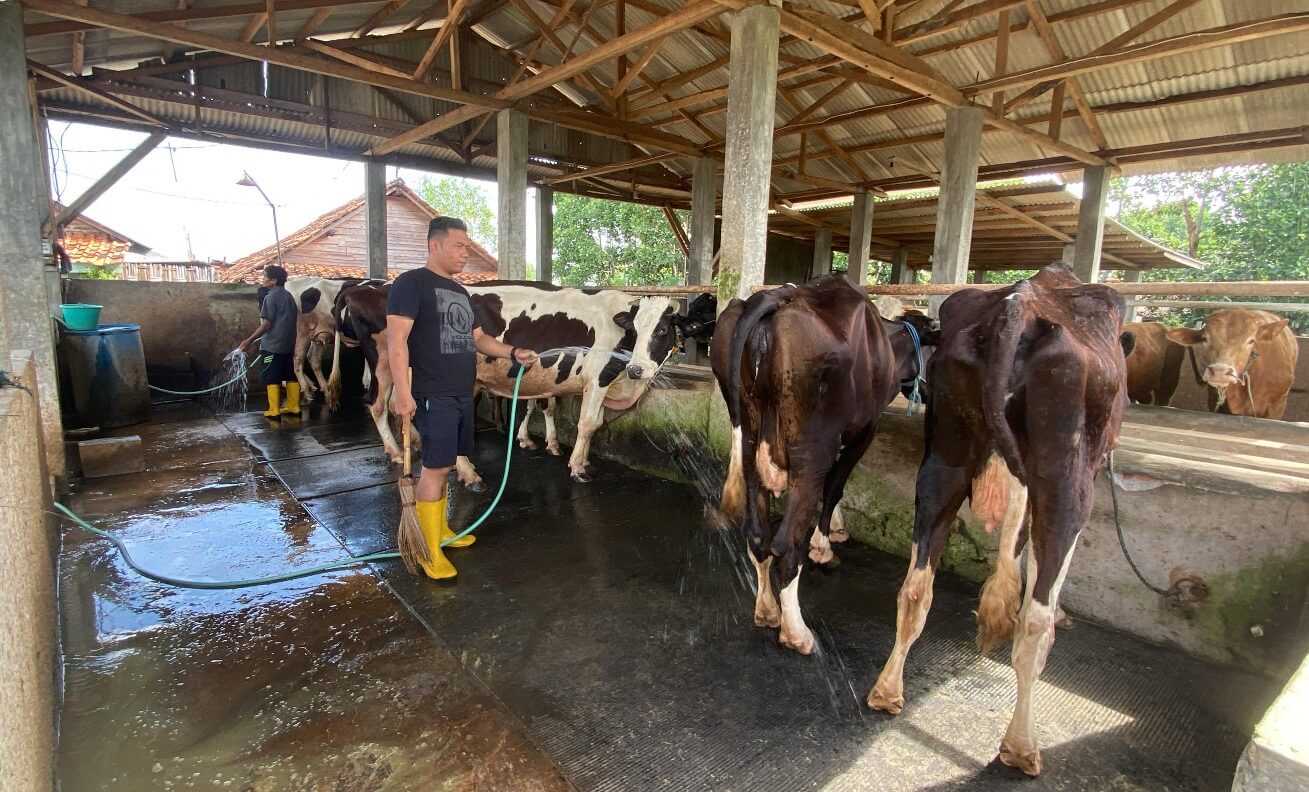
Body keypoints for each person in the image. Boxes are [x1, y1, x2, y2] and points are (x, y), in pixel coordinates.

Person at [388, 216, 537, 580]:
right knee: (436, 467)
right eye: (460, 246)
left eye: (468, 247)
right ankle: (426, 549)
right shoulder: (411, 284)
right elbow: (396, 341)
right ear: (434, 245)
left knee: (448, 465)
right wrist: (403, 393)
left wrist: (512, 351)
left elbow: (478, 338)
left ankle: (440, 531)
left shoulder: (459, 292)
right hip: (431, 392)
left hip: (460, 392)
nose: (466, 253)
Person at [240, 264, 300, 419]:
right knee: (290, 374)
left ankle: (274, 410)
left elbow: (266, 324)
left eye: (265, 276)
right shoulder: (288, 296)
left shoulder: (270, 297)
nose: (263, 279)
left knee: (271, 375)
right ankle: (294, 406)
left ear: (273, 280)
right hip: (288, 344)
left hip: (272, 346)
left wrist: (250, 340)